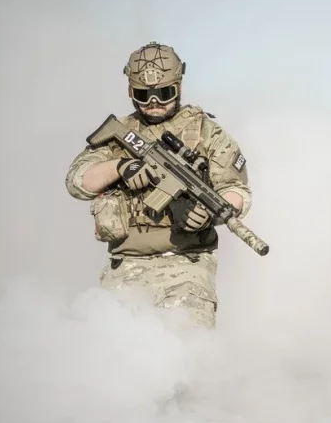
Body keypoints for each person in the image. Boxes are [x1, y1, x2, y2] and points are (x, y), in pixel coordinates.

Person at [65, 42, 252, 329]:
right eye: (143, 95)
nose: (154, 102)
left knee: (188, 358)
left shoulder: (206, 132)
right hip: (125, 266)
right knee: (111, 358)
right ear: (130, 92)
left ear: (179, 86)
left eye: (164, 94)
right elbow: (78, 181)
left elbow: (236, 191)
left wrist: (209, 214)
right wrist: (120, 167)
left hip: (186, 267)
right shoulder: (121, 135)